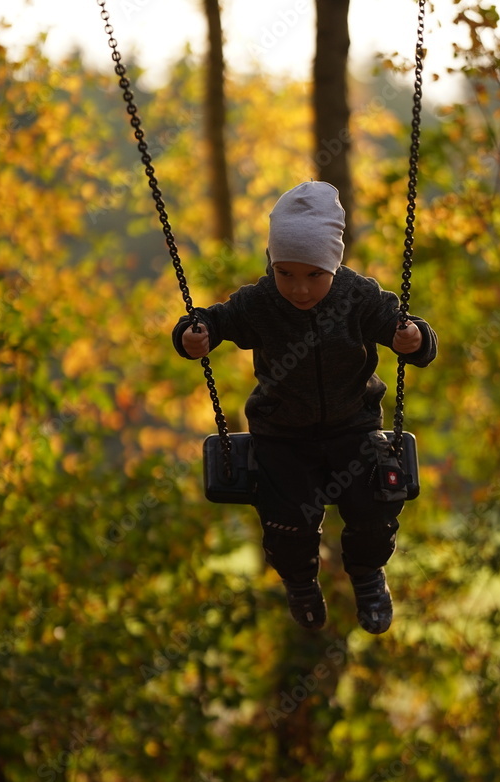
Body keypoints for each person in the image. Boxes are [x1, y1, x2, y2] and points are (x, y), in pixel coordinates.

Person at [172, 181, 437, 633]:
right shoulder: (261, 302)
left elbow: (405, 332)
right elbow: (212, 321)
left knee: (374, 511)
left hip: (353, 426)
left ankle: (368, 576)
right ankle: (299, 582)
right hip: (282, 434)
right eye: (286, 273)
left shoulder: (358, 296)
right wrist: (192, 334)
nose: (299, 288)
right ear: (272, 265)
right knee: (286, 524)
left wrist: (413, 339)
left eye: (314, 274)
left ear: (333, 263)